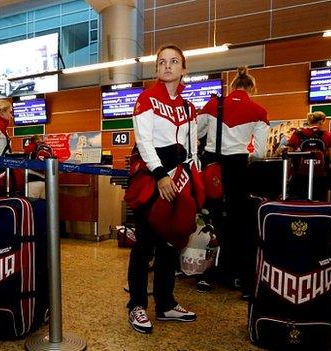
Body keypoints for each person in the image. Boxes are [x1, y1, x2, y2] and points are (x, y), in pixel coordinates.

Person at [127, 44, 198, 334]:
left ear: (183, 69)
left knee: (170, 244)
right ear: (157, 69)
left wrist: (194, 180)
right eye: (162, 62)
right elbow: (144, 142)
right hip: (152, 178)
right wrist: (160, 175)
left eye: (174, 62)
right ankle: (137, 304)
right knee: (144, 245)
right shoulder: (146, 99)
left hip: (181, 179)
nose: (167, 66)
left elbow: (194, 147)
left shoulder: (188, 107)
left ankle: (166, 303)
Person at [196, 67, 269, 296]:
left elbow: (196, 133)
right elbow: (261, 152)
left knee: (212, 218)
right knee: (239, 220)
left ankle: (210, 270)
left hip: (212, 167)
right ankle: (239, 274)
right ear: (252, 88)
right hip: (238, 168)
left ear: (232, 85)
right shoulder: (258, 110)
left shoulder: (212, 105)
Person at [285, 111, 331, 201]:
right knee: (318, 203)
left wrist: (288, 175)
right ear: (321, 121)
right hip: (320, 178)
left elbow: (288, 155)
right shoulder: (328, 136)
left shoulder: (297, 134)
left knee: (298, 202)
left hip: (299, 176)